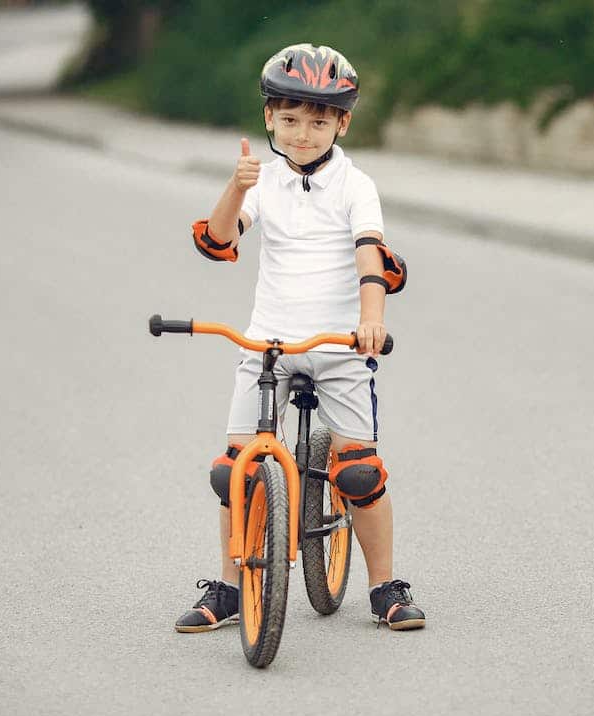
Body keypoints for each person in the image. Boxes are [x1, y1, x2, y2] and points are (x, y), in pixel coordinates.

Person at [175, 43, 425, 633]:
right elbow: (217, 241)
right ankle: (229, 587)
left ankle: (385, 585)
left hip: (340, 347)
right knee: (232, 468)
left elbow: (371, 256)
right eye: (290, 120)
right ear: (269, 119)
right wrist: (236, 188)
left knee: (359, 472)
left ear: (343, 122)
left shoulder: (355, 186)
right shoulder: (261, 182)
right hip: (268, 344)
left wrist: (371, 320)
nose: (304, 133)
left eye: (319, 121)